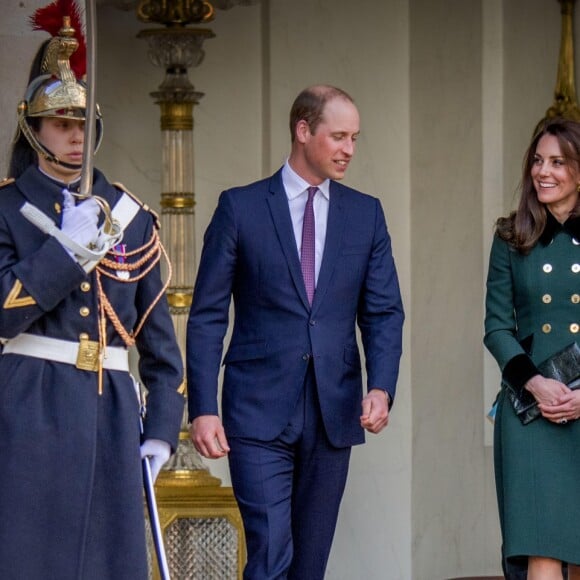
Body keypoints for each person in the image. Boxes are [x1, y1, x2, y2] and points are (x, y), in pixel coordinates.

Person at [186, 84, 404, 579]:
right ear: (304, 131)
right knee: (270, 558)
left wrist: (381, 386)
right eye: (340, 136)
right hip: (256, 410)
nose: (350, 149)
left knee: (309, 566)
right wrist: (203, 407)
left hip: (334, 410)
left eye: (355, 138)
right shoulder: (239, 208)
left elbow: (384, 311)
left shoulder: (365, 214)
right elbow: (207, 315)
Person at [0, 7, 184, 579]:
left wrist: (160, 431)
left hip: (110, 409)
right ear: (34, 129)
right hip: (32, 404)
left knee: (107, 563)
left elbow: (159, 345)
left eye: (82, 124)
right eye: (61, 124)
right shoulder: (7, 209)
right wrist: (64, 254)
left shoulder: (130, 217)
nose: (75, 137)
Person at [484, 117, 580, 580]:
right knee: (541, 546)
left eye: (558, 162)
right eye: (538, 161)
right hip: (530, 411)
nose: (544, 171)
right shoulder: (510, 237)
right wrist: (537, 384)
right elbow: (497, 328)